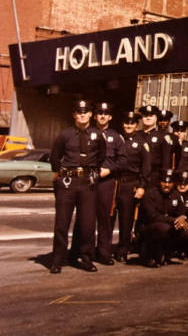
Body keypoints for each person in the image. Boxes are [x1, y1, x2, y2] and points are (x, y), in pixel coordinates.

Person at [49, 99, 106, 273]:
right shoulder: (65, 135)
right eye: (79, 112)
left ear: (91, 114)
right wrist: (61, 178)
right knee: (62, 223)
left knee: (87, 224)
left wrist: (93, 175)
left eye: (86, 111)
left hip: (87, 183)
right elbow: (55, 157)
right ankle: (57, 260)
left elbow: (101, 157)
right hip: (68, 182)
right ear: (74, 114)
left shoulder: (97, 135)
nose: (82, 114)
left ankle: (85, 258)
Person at [87, 101, 125, 266]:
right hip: (87, 180)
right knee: (86, 218)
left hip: (107, 182)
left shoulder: (116, 137)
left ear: (110, 117)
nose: (102, 116)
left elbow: (122, 159)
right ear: (95, 116)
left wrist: (109, 170)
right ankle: (85, 253)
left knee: (105, 219)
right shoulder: (87, 133)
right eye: (99, 113)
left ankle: (104, 253)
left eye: (105, 114)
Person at [114, 110, 150, 263]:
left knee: (126, 220)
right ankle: (103, 249)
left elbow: (146, 167)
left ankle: (123, 249)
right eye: (126, 123)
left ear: (136, 125)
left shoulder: (142, 142)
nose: (128, 125)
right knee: (107, 218)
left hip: (130, 184)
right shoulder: (116, 139)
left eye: (132, 123)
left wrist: (142, 186)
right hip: (113, 183)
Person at [140, 169, 188, 267]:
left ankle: (166, 254)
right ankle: (147, 256)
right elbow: (153, 216)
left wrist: (182, 220)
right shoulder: (150, 194)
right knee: (164, 228)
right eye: (164, 182)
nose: (166, 185)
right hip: (148, 227)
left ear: (173, 183)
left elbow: (182, 212)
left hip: (167, 225)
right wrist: (175, 220)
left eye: (169, 182)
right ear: (159, 182)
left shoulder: (176, 194)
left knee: (187, 231)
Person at [139, 105, 172, 185]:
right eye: (145, 116)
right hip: (137, 178)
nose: (148, 118)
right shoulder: (136, 135)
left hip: (154, 179)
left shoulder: (163, 137)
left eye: (151, 116)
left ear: (156, 118)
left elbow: (166, 163)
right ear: (142, 118)